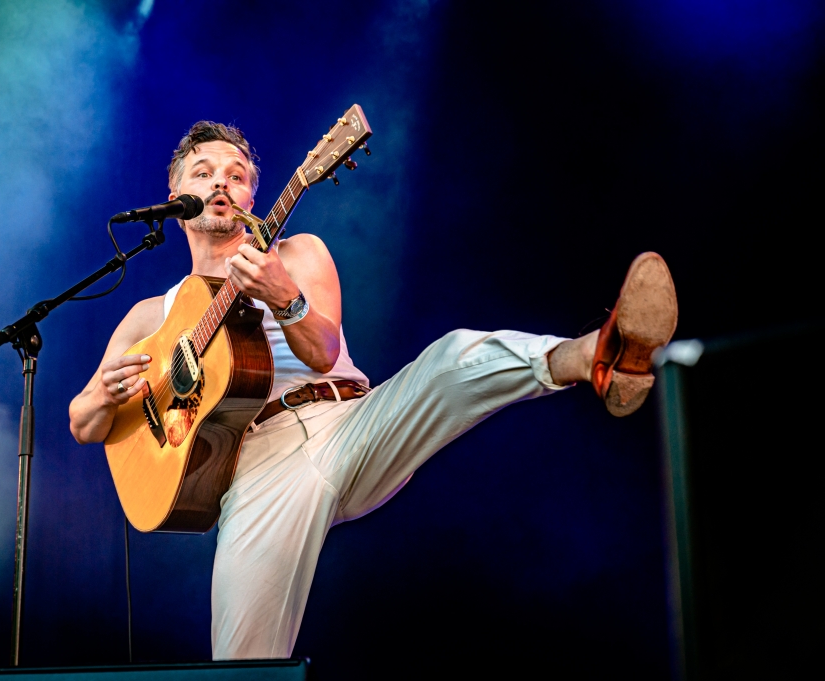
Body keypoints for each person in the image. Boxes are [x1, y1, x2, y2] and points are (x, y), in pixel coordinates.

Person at [68, 121, 678, 659]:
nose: (221, 182)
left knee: (450, 357)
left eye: (237, 174)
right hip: (255, 467)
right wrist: (101, 397)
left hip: (347, 423)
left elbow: (322, 351)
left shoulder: (295, 252)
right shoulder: (152, 316)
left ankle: (594, 354)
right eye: (204, 172)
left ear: (253, 196)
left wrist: (285, 296)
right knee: (242, 659)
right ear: (176, 197)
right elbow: (84, 423)